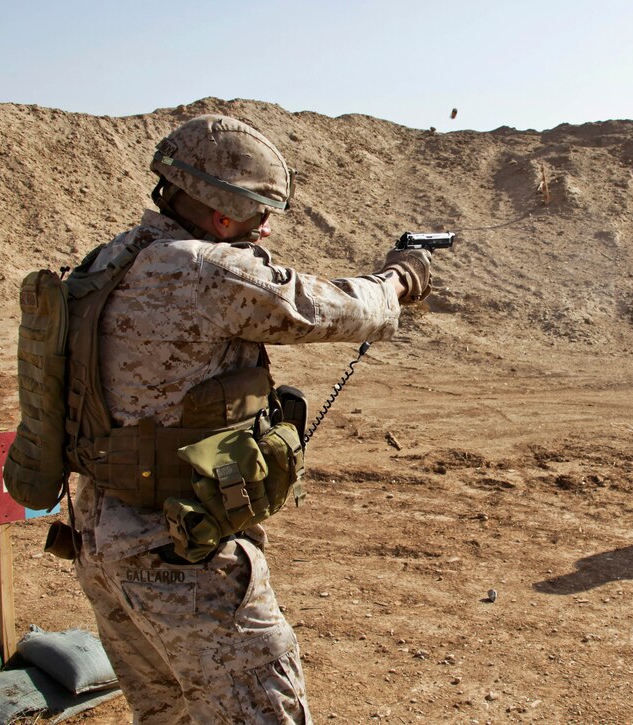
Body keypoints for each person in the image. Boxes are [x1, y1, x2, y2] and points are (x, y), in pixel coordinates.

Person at [70, 114, 431, 724]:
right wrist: (399, 279)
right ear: (219, 211)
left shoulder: (108, 260)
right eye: (260, 211)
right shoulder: (204, 268)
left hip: (101, 540)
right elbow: (328, 309)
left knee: (169, 715)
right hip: (183, 555)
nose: (266, 228)